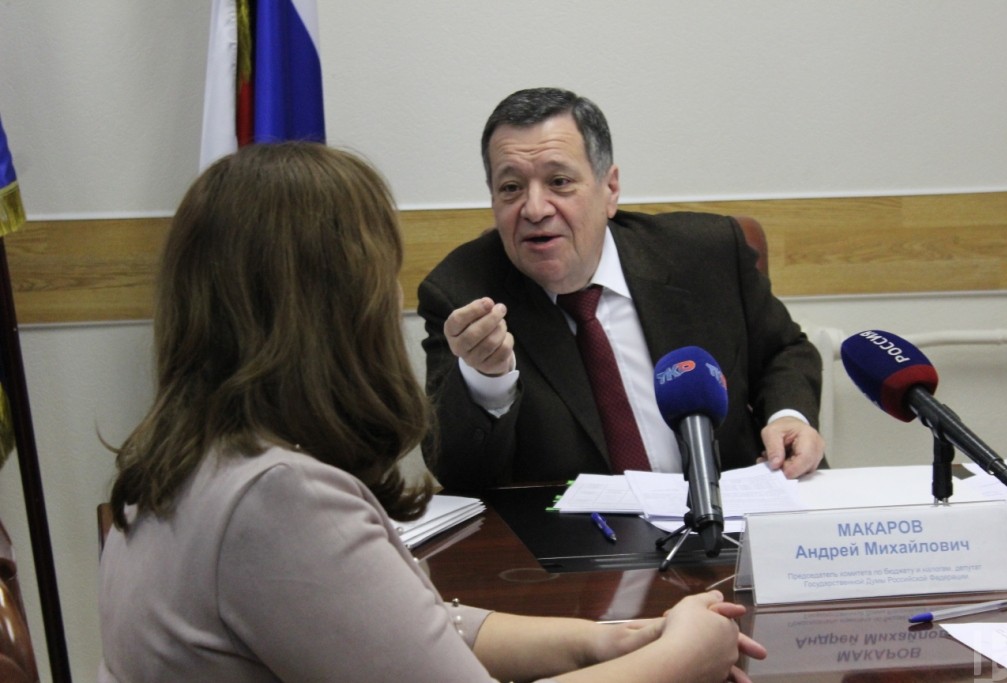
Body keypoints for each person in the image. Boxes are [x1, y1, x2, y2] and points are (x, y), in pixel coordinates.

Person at [98, 142, 765, 682]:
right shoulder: (277, 500)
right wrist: (679, 660)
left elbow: (409, 629)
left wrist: (608, 641)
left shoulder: (199, 459)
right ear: (333, 309)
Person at [418, 87, 825, 493]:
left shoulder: (705, 253)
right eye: (511, 187)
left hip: (731, 512)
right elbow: (459, 476)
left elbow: (784, 351)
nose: (535, 209)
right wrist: (486, 380)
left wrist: (788, 417)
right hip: (574, 530)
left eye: (559, 182)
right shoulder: (463, 294)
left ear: (610, 189)